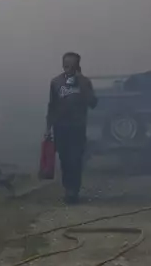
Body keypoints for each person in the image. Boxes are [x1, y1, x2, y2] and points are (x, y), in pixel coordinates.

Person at [45, 52, 97, 204]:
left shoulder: (85, 82)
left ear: (78, 66)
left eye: (72, 66)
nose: (69, 69)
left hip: (77, 127)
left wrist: (82, 86)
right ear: (62, 65)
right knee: (64, 160)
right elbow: (52, 106)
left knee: (75, 159)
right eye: (66, 65)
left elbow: (93, 103)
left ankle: (73, 191)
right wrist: (48, 127)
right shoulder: (55, 82)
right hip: (60, 127)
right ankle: (68, 188)